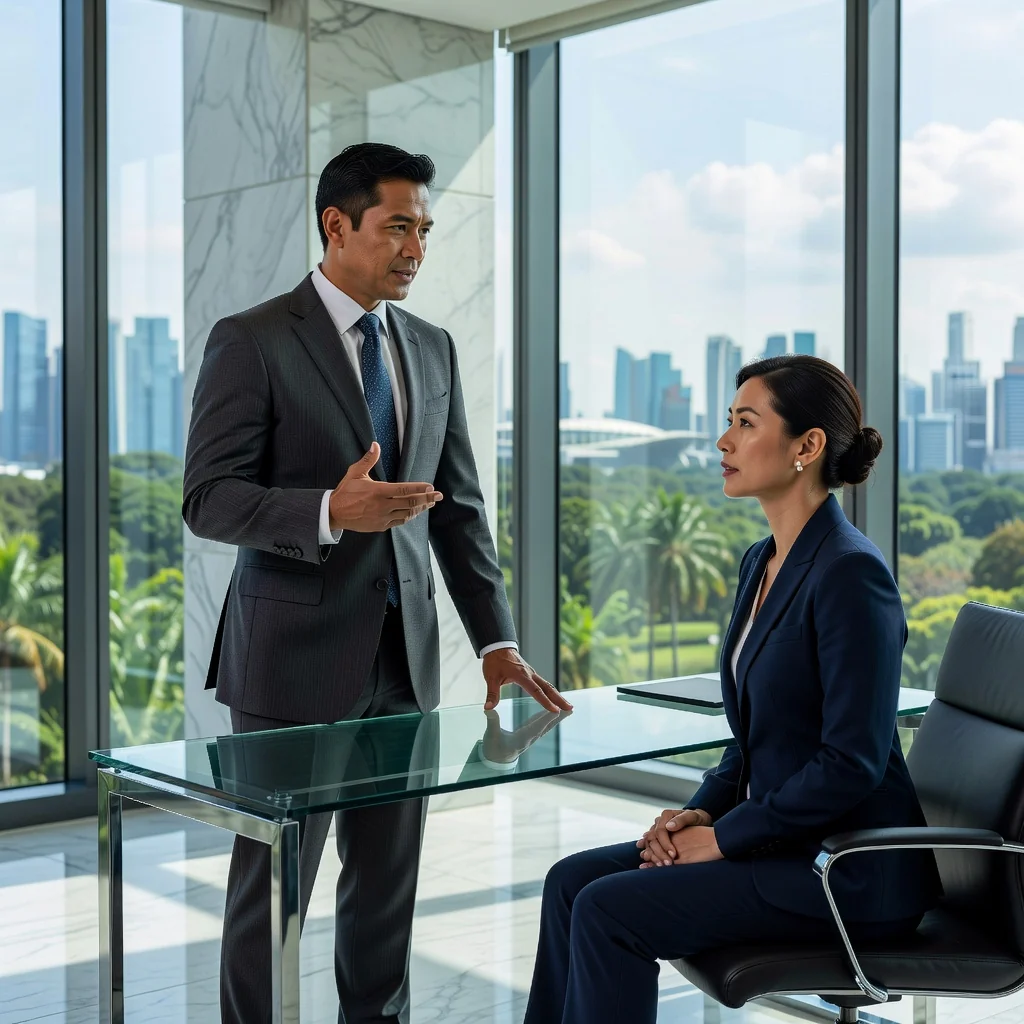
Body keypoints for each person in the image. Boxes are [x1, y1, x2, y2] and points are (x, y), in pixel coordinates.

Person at [182, 142, 572, 1024]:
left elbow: (460, 510)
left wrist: (498, 643)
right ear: (337, 225)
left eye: (425, 230)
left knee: (387, 888)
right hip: (290, 666)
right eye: (398, 226)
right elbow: (208, 498)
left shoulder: (431, 348)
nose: (416, 248)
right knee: (273, 887)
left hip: (408, 664)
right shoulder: (252, 339)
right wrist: (328, 509)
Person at [524, 355, 941, 1024]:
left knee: (609, 909)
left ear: (807, 447)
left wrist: (723, 839)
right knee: (571, 881)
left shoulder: (851, 575)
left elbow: (851, 763)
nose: (723, 442)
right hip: (778, 846)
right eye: (729, 423)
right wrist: (693, 817)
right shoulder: (763, 560)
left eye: (745, 424)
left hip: (845, 872)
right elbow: (752, 740)